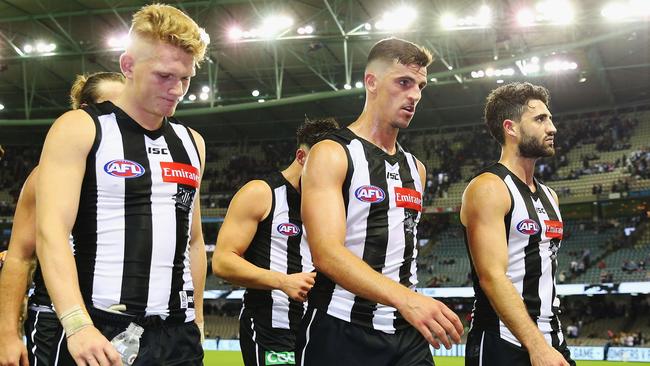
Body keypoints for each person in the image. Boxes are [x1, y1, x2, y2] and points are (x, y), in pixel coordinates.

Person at [35, 4, 209, 366]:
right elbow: (51, 232)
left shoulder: (192, 142)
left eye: (186, 78)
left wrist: (199, 319)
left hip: (178, 334)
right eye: (164, 76)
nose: (177, 90)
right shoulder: (80, 128)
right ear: (128, 66)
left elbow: (193, 241)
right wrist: (76, 324)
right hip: (99, 328)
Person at [296, 38, 463, 366]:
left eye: (420, 86)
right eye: (404, 82)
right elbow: (327, 253)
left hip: (406, 333)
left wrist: (407, 303)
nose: (414, 95)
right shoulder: (332, 153)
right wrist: (407, 299)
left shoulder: (417, 169)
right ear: (371, 82)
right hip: (341, 328)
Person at [0, 72, 124, 366]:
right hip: (58, 322)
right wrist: (7, 334)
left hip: (130, 321)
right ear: (83, 113)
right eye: (111, 108)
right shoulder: (46, 176)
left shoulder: (146, 174)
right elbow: (20, 256)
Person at [461, 82, 575, 366]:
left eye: (549, 118)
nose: (552, 128)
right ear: (510, 128)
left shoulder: (551, 196)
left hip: (553, 340)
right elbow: (492, 277)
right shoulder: (488, 188)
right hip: (504, 342)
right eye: (540, 119)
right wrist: (536, 346)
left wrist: (548, 344)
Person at [212, 117, 339, 366]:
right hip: (272, 327)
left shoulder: (332, 203)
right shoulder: (261, 193)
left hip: (321, 330)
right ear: (302, 157)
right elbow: (222, 262)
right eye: (323, 165)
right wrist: (283, 282)